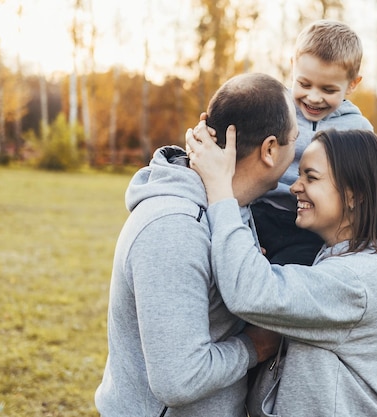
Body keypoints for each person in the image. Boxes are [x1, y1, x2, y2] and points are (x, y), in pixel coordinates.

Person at [186, 127, 377, 416]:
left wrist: (221, 190)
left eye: (311, 177)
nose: (295, 187)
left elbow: (250, 293)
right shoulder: (346, 259)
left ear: (354, 195)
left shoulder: (358, 281)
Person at [94, 72, 299, 417]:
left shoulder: (231, 208)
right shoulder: (175, 228)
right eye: (294, 138)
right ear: (269, 150)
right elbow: (179, 379)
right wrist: (255, 346)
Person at [252, 19, 374, 267]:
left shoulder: (358, 130)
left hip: (311, 228)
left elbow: (366, 187)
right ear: (292, 68)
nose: (314, 97)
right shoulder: (271, 107)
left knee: (287, 276)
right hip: (258, 211)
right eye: (304, 84)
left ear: (352, 84)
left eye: (328, 90)